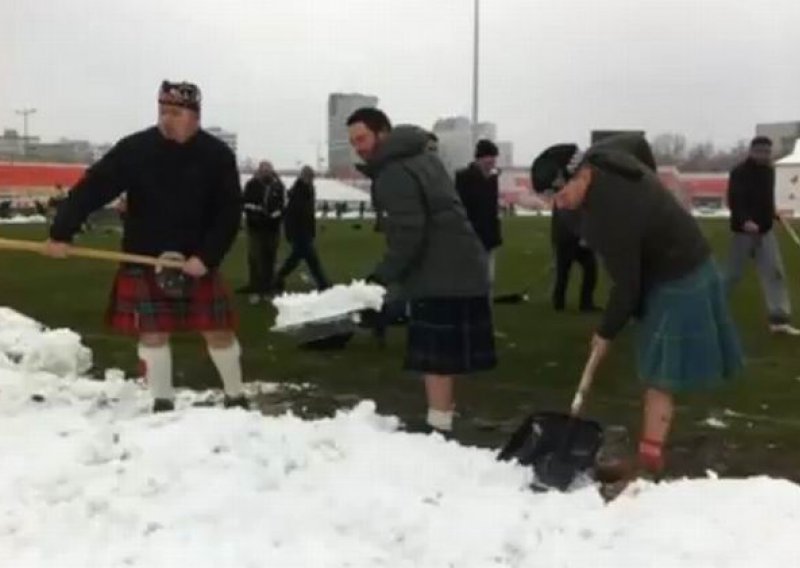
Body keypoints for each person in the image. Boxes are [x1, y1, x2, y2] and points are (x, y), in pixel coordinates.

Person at [531, 134, 743, 480]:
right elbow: (635, 143)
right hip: (661, 259)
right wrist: (652, 186)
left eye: (561, 193)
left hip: (679, 271)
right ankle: (649, 454)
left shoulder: (612, 215)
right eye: (550, 198)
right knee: (652, 366)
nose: (558, 204)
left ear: (582, 175)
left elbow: (628, 288)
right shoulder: (602, 155)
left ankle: (649, 460)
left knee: (658, 375)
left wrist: (605, 333)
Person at [45, 80, 247, 413]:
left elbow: (229, 212)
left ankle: (237, 396)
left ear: (194, 116)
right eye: (163, 111)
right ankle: (162, 401)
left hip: (195, 260)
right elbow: (94, 187)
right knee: (153, 335)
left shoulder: (217, 156)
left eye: (176, 112)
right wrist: (61, 231)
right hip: (144, 255)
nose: (167, 119)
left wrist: (207, 257)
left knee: (218, 331)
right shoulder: (136, 149)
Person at [347, 107, 496, 435]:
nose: (357, 147)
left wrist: (380, 279)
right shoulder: (423, 157)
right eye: (353, 141)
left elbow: (409, 231)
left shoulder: (394, 171)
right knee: (442, 356)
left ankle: (439, 425)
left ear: (382, 133)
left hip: (442, 270)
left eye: (362, 138)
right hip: (461, 263)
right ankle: (440, 418)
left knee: (436, 356)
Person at [726, 136, 799, 335]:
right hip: (743, 233)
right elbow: (735, 200)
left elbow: (765, 199)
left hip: (765, 233)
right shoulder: (739, 172)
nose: (764, 155)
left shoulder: (769, 172)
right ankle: (710, 312)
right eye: (760, 151)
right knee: (732, 276)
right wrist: (745, 221)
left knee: (775, 274)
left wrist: (773, 213)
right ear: (751, 151)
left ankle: (779, 321)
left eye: (767, 152)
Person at [531, 144, 600, 312]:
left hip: (568, 236)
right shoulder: (568, 189)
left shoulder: (569, 187)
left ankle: (574, 303)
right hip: (567, 236)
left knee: (580, 270)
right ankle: (566, 303)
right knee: (566, 272)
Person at [274, 166, 330, 292]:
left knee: (296, 259)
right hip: (299, 232)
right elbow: (294, 214)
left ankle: (278, 277)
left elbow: (308, 213)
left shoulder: (306, 190)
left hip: (304, 231)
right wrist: (293, 232)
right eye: (309, 177)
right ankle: (323, 284)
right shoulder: (299, 191)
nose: (311, 180)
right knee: (311, 259)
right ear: (304, 177)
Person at [455, 139, 502, 281]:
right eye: (490, 157)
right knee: (473, 275)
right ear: (480, 158)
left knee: (488, 276)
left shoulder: (492, 180)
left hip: (489, 234)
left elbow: (492, 209)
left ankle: (485, 302)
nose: (493, 161)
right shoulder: (464, 177)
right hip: (471, 234)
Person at [240, 161, 285, 303]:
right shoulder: (251, 185)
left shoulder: (278, 186)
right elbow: (246, 203)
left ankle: (267, 289)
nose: (266, 172)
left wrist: (275, 215)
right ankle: (255, 289)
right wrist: (257, 215)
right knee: (255, 259)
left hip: (272, 228)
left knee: (269, 259)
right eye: (263, 170)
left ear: (272, 171)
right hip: (256, 228)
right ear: (259, 171)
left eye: (268, 170)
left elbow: (282, 206)